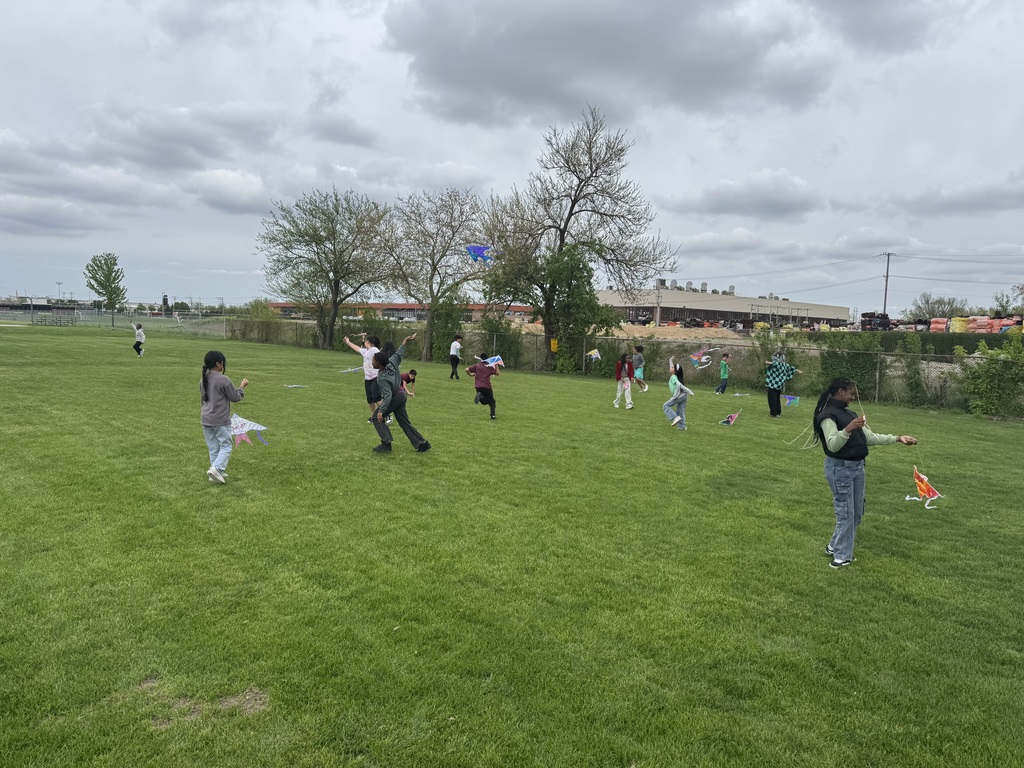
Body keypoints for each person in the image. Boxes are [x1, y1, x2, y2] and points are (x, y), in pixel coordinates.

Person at [812, 377, 917, 568]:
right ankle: (841, 557)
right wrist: (848, 429)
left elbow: (870, 437)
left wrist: (898, 438)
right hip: (840, 468)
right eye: (852, 394)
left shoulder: (849, 413)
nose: (854, 397)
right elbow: (833, 445)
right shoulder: (828, 416)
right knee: (846, 513)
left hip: (857, 468)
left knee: (857, 512)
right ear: (841, 392)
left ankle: (834, 546)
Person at [371, 333, 430, 453]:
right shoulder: (391, 362)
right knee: (404, 422)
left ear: (379, 364)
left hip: (396, 397)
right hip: (402, 394)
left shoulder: (382, 377)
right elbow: (400, 351)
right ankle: (421, 443)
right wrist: (406, 340)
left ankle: (386, 443)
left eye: (373, 360)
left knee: (376, 418)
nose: (371, 362)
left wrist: (381, 411)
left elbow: (387, 396)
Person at [200, 350, 249, 483]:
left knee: (213, 446)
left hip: (206, 419)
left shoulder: (203, 380)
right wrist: (242, 387)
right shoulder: (223, 380)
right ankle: (217, 468)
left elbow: (202, 400)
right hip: (220, 420)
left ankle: (215, 472)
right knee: (226, 445)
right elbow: (235, 397)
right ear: (218, 364)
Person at [343, 333, 390, 424]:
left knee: (377, 397)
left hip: (376, 377)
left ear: (368, 342)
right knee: (370, 399)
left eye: (366, 341)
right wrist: (348, 342)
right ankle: (373, 416)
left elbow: (382, 357)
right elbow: (357, 348)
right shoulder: (367, 351)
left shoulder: (374, 350)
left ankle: (387, 414)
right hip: (368, 378)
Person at [765, 351, 801, 417]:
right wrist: (798, 370)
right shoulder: (784, 364)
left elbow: (773, 363)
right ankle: (778, 412)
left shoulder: (777, 363)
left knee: (772, 399)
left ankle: (773, 413)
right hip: (780, 385)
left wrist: (767, 362)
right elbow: (791, 368)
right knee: (777, 399)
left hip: (773, 385)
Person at [663, 358, 695, 429]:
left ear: (674, 370)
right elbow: (673, 367)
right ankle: (682, 426)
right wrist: (670, 360)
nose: (670, 368)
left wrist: (689, 391)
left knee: (665, 406)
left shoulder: (673, 377)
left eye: (672, 367)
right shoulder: (675, 375)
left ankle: (675, 418)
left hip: (679, 396)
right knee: (680, 411)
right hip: (684, 396)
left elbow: (679, 384)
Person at [466, 354, 499, 419]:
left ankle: (480, 396)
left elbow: (467, 369)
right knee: (492, 401)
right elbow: (497, 373)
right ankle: (493, 415)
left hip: (478, 386)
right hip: (487, 386)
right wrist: (496, 364)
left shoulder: (477, 366)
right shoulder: (489, 367)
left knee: (484, 402)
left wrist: (471, 375)